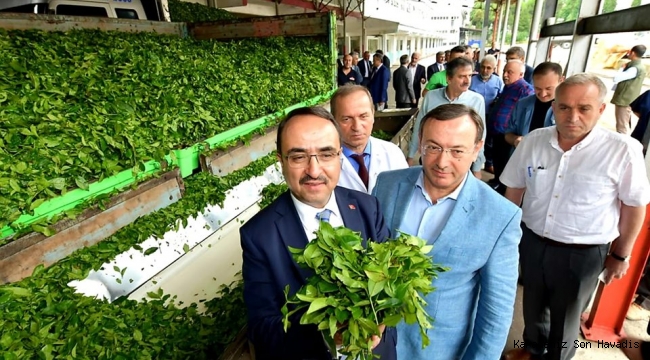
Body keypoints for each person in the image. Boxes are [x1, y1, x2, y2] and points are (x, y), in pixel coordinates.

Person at [501, 74, 650, 360]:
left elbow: (634, 206)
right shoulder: (534, 141)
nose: (572, 116)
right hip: (532, 242)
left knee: (567, 319)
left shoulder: (622, 150)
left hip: (582, 254)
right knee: (532, 305)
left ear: (602, 109)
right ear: (553, 107)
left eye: (584, 108)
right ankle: (531, 350)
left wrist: (621, 256)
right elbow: (515, 189)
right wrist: (507, 238)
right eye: (564, 107)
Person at [241, 106, 398, 360]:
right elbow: (262, 329)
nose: (314, 171)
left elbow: (391, 284)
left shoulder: (367, 208)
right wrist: (325, 334)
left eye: (326, 155)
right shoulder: (259, 235)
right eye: (299, 157)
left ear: (340, 157)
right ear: (281, 161)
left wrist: (384, 324)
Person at [373, 104, 522, 360]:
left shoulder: (500, 215)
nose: (442, 162)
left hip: (439, 349)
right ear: (420, 142)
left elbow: (496, 312)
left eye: (457, 151)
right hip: (376, 343)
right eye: (433, 147)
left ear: (477, 148)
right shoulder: (387, 184)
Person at [407, 57, 486, 179]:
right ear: (449, 78)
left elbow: (481, 135)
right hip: (432, 155)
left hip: (459, 159)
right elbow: (419, 127)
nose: (467, 81)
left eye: (470, 76)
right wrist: (411, 156)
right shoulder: (431, 97)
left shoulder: (476, 101)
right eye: (462, 76)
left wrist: (477, 167)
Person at [331, 84, 408, 193]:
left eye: (363, 116)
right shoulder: (323, 164)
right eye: (347, 119)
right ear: (334, 121)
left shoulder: (393, 154)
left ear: (373, 115)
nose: (356, 127)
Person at [487, 59, 534, 190]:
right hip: (497, 133)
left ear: (521, 74)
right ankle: (497, 180)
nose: (505, 75)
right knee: (498, 159)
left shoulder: (525, 90)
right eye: (504, 71)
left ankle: (503, 187)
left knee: (506, 162)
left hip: (509, 135)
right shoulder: (508, 87)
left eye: (510, 72)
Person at [504, 62, 563, 149]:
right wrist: (515, 140)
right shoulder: (522, 104)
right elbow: (508, 134)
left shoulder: (568, 108)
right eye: (538, 88)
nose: (543, 94)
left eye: (548, 89)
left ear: (561, 81)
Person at [469, 54, 504, 174]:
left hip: (490, 116)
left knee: (488, 141)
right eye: (483, 67)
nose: (485, 70)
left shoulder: (498, 81)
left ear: (494, 69)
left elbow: (501, 96)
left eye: (489, 68)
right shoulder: (472, 80)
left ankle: (488, 163)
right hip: (473, 116)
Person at [612, 45, 648, 135]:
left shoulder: (634, 68)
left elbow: (616, 78)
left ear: (632, 53)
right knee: (624, 122)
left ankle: (624, 144)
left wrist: (621, 68)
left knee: (622, 125)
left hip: (624, 100)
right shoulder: (637, 66)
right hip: (628, 99)